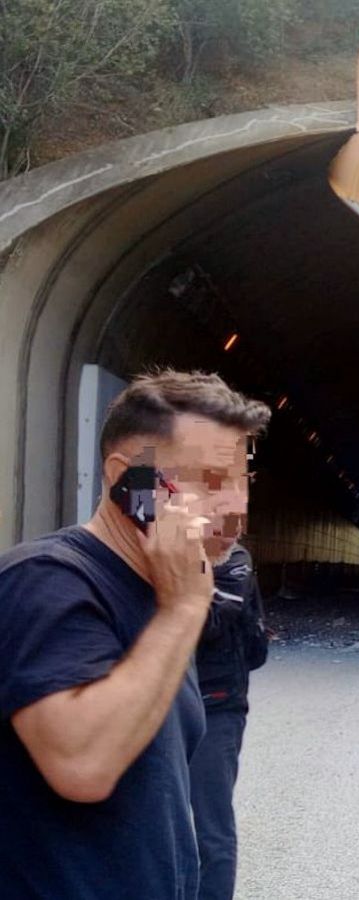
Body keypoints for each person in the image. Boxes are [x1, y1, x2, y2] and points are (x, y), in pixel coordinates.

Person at [0, 369, 269, 897]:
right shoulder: (45, 581)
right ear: (130, 481)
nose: (235, 506)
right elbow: (82, 766)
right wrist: (182, 612)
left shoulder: (159, 592)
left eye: (242, 482)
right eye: (210, 482)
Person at [190, 541, 271, 900]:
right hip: (156, 703)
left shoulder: (232, 557)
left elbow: (209, 621)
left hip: (216, 705)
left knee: (211, 827)